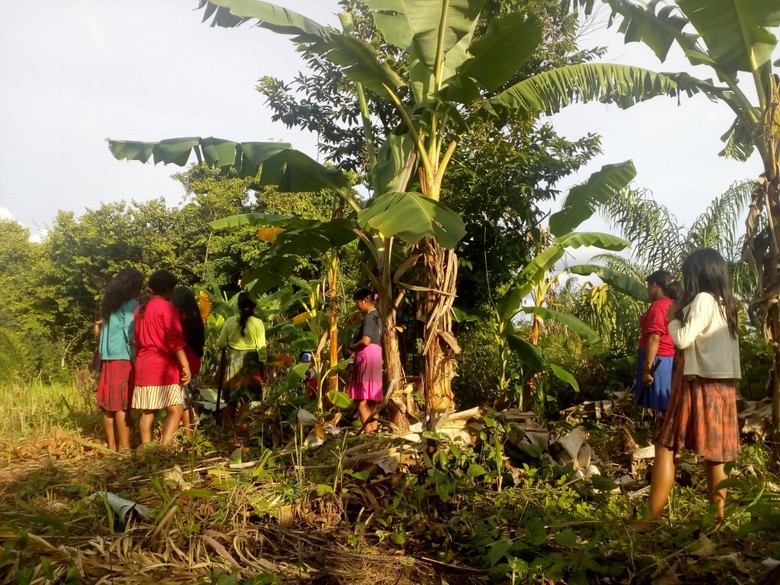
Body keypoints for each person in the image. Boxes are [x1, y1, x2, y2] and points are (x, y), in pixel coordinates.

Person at [645, 248, 741, 523]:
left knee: (666, 445)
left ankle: (651, 519)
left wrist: (673, 318)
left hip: (696, 382)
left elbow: (683, 339)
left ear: (698, 274)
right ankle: (717, 520)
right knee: (717, 453)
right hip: (722, 385)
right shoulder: (726, 303)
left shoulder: (702, 299)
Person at [132, 270, 191, 446]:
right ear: (167, 289)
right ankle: (164, 447)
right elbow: (175, 340)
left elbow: (135, 339)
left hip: (143, 363)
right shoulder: (167, 307)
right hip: (163, 366)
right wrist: (185, 364)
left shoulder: (139, 309)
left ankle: (146, 447)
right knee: (175, 408)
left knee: (148, 410)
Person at [95, 267, 144, 451]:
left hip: (107, 357)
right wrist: (136, 357)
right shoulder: (131, 305)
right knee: (122, 404)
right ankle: (124, 447)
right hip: (123, 358)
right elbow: (130, 333)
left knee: (108, 404)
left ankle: (111, 446)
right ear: (134, 287)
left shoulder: (110, 304)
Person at [216, 292, 267, 423]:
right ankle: (241, 432)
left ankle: (227, 430)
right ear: (254, 306)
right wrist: (263, 368)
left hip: (233, 361)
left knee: (231, 401)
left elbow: (220, 343)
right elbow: (262, 349)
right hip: (250, 363)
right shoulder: (258, 323)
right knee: (246, 399)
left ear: (238, 305)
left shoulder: (230, 321)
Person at [636, 270, 681, 415]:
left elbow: (654, 337)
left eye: (648, 286)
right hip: (667, 358)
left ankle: (660, 435)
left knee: (659, 402)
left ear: (654, 285)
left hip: (657, 358)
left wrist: (647, 369)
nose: (647, 291)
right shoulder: (673, 304)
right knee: (664, 402)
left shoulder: (659, 306)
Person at [346, 288, 383, 433]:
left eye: (357, 303)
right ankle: (375, 430)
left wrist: (352, 347)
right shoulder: (379, 316)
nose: (357, 307)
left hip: (367, 354)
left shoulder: (369, 316)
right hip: (377, 354)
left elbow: (365, 341)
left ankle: (368, 431)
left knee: (360, 398)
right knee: (372, 398)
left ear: (365, 301)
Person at [171, 286, 205, 437]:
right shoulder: (196, 318)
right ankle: (188, 433)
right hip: (194, 361)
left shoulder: (177, 317)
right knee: (188, 398)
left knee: (182, 401)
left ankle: (187, 434)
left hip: (181, 362)